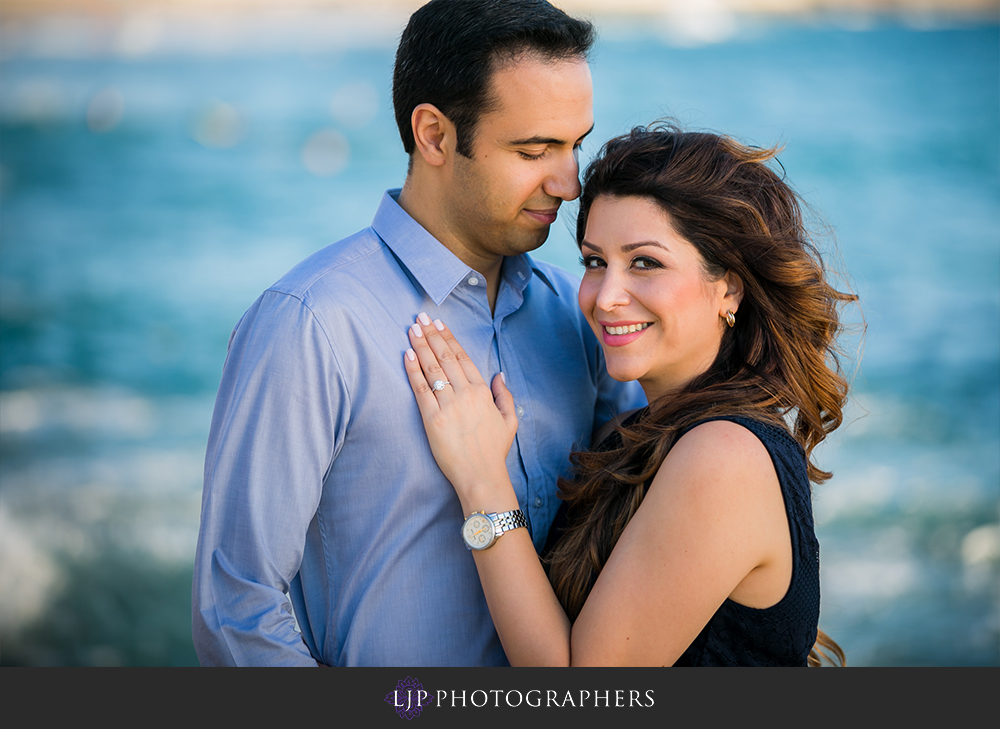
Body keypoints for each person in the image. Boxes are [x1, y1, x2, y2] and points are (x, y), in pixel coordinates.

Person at [190, 0, 644, 667]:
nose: (569, 182)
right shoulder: (312, 323)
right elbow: (236, 608)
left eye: (575, 144)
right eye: (534, 149)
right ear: (434, 135)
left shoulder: (577, 315)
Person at [403, 122, 857, 666]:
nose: (605, 296)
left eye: (645, 262)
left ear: (729, 286)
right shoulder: (642, 432)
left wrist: (482, 482)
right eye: (595, 262)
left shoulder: (725, 456)